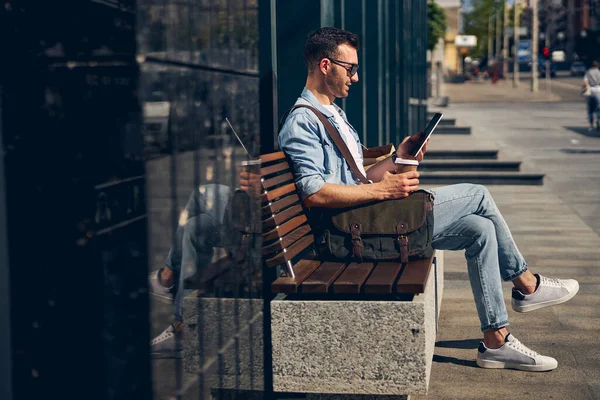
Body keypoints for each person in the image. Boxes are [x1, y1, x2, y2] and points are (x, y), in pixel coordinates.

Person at [278, 27, 579, 372]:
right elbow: (314, 192)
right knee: (478, 195)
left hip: (364, 217)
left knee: (480, 229)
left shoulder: (333, 113)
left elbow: (358, 176)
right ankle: (526, 285)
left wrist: (398, 160)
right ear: (326, 65)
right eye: (351, 69)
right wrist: (383, 191)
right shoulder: (304, 120)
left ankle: (496, 341)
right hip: (349, 232)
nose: (356, 78)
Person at [148, 168, 261, 357]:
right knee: (194, 228)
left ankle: (169, 281)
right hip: (257, 212)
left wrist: (264, 186)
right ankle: (184, 327)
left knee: (201, 194)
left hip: (259, 222)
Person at [583, 60, 600, 131]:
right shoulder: (599, 72)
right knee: (598, 107)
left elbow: (585, 81)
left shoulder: (588, 72)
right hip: (598, 89)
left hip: (590, 89)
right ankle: (598, 121)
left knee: (590, 109)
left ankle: (591, 125)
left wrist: (587, 88)